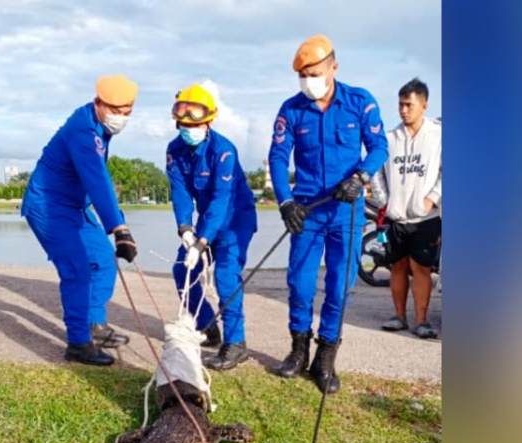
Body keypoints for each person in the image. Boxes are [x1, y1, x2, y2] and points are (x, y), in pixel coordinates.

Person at [268, 34, 389, 393]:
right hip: (307, 211)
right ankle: (298, 350)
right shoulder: (290, 109)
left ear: (334, 67)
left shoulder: (359, 102)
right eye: (302, 75)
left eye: (315, 72)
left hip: (347, 211)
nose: (309, 81)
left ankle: (326, 357)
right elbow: (277, 157)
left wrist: (361, 176)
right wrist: (286, 201)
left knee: (339, 285)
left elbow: (379, 146)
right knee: (300, 284)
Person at [20, 75, 141, 366]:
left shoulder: (100, 127)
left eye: (126, 113)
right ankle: (78, 342)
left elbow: (98, 181)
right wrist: (119, 228)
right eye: (115, 111)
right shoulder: (83, 131)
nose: (120, 119)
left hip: (75, 205)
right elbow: (96, 178)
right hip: (48, 205)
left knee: (102, 258)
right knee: (77, 270)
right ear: (98, 102)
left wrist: (118, 226)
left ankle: (94, 324)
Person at [166, 83, 258, 371]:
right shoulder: (174, 150)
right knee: (182, 269)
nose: (187, 127)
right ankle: (207, 326)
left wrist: (202, 242)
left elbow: (221, 199)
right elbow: (179, 191)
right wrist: (185, 229)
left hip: (235, 221)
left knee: (226, 276)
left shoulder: (223, 151)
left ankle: (236, 343)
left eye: (195, 122)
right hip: (206, 222)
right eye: (182, 122)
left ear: (209, 121)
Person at [369, 79, 442, 339]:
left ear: (424, 105)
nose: (403, 110)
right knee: (397, 266)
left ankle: (421, 320)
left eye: (409, 105)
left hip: (426, 217)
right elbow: (376, 172)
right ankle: (399, 315)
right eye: (400, 105)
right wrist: (383, 202)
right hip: (395, 216)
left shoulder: (439, 134)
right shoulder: (388, 138)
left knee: (421, 267)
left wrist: (432, 198)